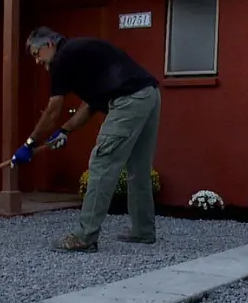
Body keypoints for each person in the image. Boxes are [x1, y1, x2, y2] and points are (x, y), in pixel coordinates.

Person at [12, 26, 161, 252]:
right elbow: (90, 104)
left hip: (128, 100)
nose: (37, 61)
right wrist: (65, 131)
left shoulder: (62, 59)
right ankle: (143, 231)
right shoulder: (79, 53)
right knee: (138, 167)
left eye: (36, 54)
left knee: (102, 163)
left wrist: (29, 144)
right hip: (149, 95)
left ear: (49, 45)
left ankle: (85, 236)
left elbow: (52, 111)